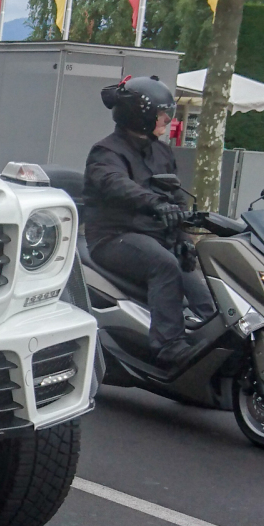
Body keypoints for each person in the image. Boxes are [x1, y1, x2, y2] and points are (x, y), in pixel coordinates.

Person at [83, 75, 215, 369]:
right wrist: (155, 204)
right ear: (140, 114)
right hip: (113, 236)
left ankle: (218, 340)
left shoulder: (161, 151)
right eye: (162, 114)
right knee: (164, 265)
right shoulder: (106, 152)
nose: (167, 119)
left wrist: (183, 237)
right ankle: (169, 346)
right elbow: (116, 184)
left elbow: (174, 194)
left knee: (192, 267)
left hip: (155, 235)